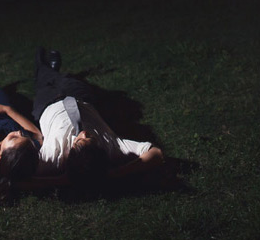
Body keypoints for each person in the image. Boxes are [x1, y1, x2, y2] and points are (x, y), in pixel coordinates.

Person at [31, 48, 164, 189]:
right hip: (79, 98)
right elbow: (157, 154)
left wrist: (64, 180)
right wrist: (112, 174)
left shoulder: (51, 158)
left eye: (79, 142)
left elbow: (23, 181)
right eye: (91, 138)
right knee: (68, 80)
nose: (83, 134)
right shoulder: (113, 147)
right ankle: (53, 71)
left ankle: (42, 66)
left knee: (43, 82)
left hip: (46, 105)